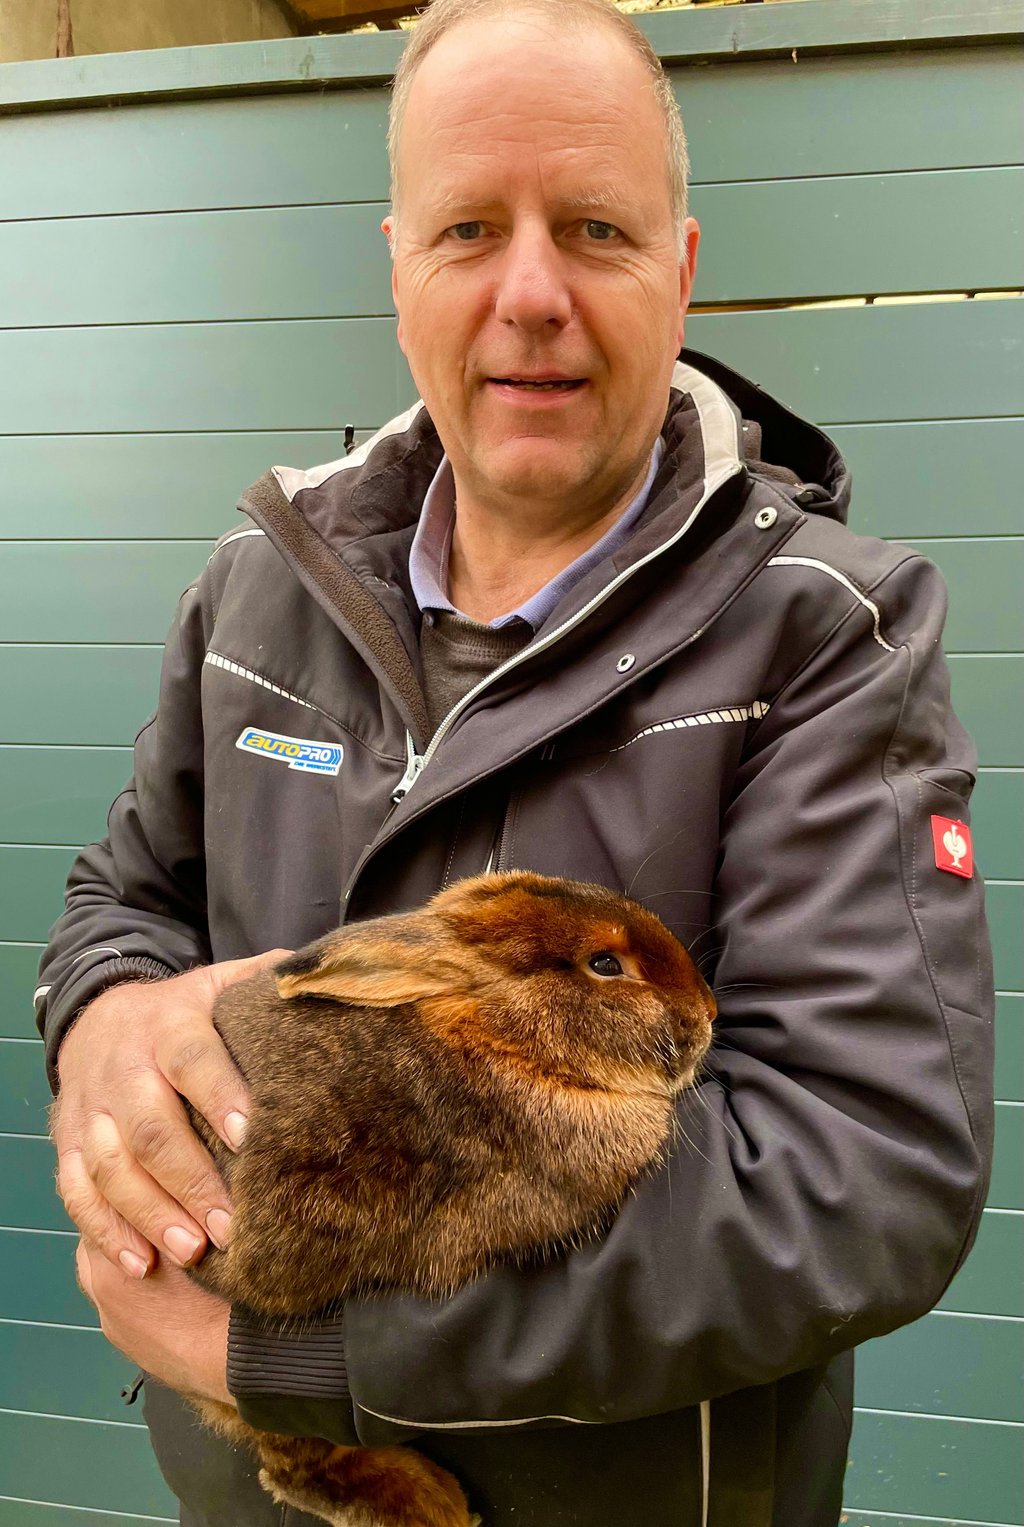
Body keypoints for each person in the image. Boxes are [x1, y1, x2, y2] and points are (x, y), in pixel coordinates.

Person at [38, 1, 994, 1523]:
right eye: (470, 229)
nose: (531, 293)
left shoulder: (824, 632)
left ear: (680, 269)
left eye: (596, 229)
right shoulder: (256, 586)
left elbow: (862, 1177)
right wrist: (101, 1020)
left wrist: (316, 1353)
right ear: (399, 265)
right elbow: (124, 896)